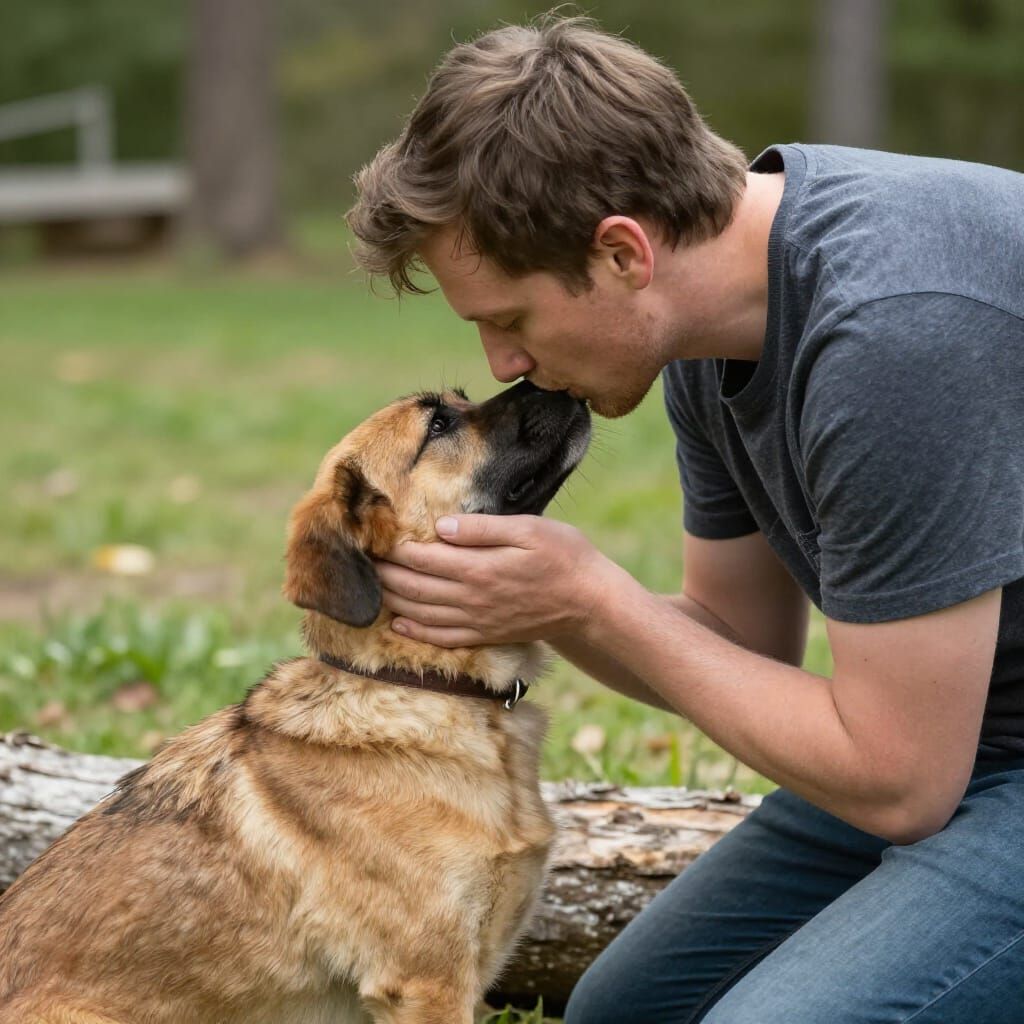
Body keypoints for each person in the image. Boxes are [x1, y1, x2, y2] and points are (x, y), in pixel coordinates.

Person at [345, 15, 1024, 1023]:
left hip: (948, 760)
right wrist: (558, 611)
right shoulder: (709, 328)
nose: (499, 364)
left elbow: (897, 783)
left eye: (511, 318)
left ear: (621, 252)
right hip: (969, 742)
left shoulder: (894, 332)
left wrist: (594, 597)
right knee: (625, 1009)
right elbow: (736, 639)